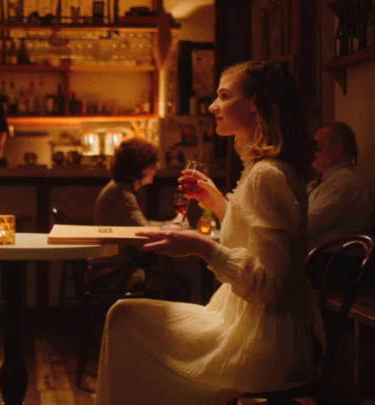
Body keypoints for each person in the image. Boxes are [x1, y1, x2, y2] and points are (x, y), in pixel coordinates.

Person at [95, 60, 325, 405]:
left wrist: (202, 247)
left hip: (263, 342)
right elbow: (251, 240)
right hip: (245, 322)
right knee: (124, 316)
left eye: (224, 96)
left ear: (255, 104)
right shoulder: (262, 170)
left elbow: (272, 285)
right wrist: (216, 202)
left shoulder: (267, 175)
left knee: (123, 318)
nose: (212, 106)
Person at [92, 138, 164, 292]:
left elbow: (141, 224)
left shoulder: (119, 188)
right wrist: (173, 228)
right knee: (178, 285)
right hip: (111, 273)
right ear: (139, 168)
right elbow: (144, 231)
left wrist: (170, 225)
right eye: (152, 164)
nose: (157, 167)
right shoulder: (122, 193)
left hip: (110, 268)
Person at [307, 122, 372, 251]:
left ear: (338, 148)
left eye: (318, 147)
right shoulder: (318, 183)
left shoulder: (345, 184)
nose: (313, 152)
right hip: (319, 258)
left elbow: (308, 225)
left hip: (331, 261)